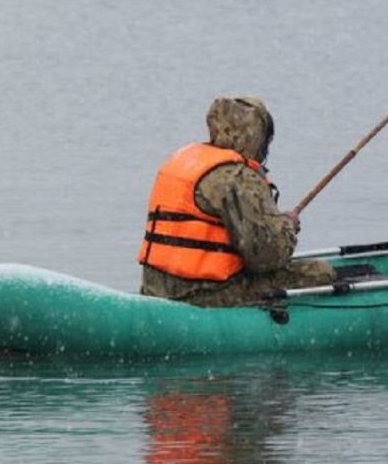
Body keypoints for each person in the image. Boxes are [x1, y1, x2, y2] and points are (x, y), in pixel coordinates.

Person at [138, 97, 335, 307]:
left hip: (155, 289)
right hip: (208, 294)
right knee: (321, 273)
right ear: (255, 135)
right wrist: (287, 226)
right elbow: (266, 257)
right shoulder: (238, 178)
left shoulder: (181, 161)